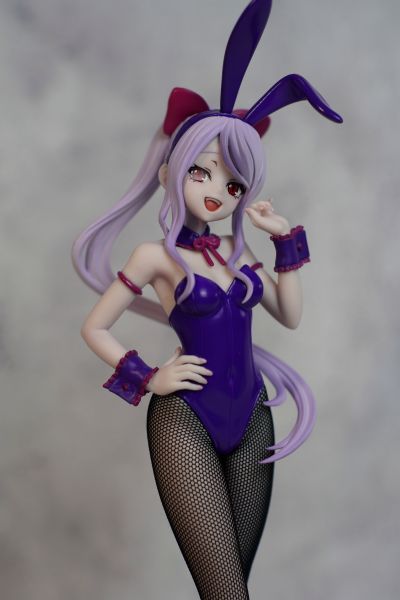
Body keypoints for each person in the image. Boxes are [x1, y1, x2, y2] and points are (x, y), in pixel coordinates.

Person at [72, 1, 342, 597]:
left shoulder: (237, 255)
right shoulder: (154, 257)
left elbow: (290, 316)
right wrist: (150, 377)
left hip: (253, 416)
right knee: (225, 590)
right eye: (202, 171)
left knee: (232, 588)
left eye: (233, 182)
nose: (218, 190)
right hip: (185, 417)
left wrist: (284, 240)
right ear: (170, 172)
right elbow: (94, 328)